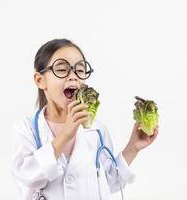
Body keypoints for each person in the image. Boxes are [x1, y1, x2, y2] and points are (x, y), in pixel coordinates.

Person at [11, 39, 159, 200]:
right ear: (40, 80)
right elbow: (26, 177)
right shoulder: (27, 129)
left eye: (80, 70)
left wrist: (133, 147)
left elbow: (107, 182)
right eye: (62, 69)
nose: (73, 77)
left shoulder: (96, 129)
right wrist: (65, 136)